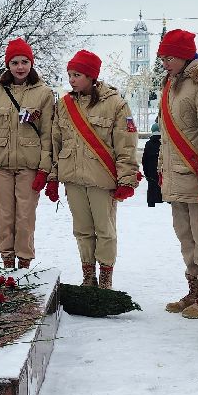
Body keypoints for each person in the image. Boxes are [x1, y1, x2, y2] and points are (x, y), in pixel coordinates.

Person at [47, 49, 140, 289]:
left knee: (105, 231)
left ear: (91, 76)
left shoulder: (116, 104)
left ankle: (106, 278)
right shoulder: (65, 105)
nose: (72, 80)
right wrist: (53, 177)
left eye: (77, 74)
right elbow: (55, 142)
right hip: (73, 177)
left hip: (102, 178)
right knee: (82, 230)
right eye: (70, 74)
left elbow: (126, 144)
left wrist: (127, 179)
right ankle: (88, 276)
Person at [154, 29, 198, 319]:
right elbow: (166, 136)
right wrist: (161, 167)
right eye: (162, 57)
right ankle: (194, 290)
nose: (164, 63)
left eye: (169, 57)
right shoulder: (171, 84)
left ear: (184, 56)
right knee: (186, 237)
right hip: (176, 175)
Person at [0, 38, 55, 269]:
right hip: (0, 165)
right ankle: (7, 260)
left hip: (29, 166)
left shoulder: (44, 93)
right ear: (7, 65)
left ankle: (24, 261)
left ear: (31, 63)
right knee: (4, 217)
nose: (20, 67)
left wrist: (44, 169)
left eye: (24, 62)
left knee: (25, 217)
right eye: (14, 62)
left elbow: (48, 135)